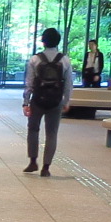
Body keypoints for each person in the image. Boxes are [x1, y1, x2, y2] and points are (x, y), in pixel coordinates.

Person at [23, 27, 72, 176]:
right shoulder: (65, 60)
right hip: (55, 101)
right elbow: (68, 84)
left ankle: (33, 161)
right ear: (58, 42)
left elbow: (29, 82)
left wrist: (26, 102)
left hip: (37, 99)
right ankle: (46, 167)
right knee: (52, 133)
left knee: (33, 129)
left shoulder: (35, 59)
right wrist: (66, 101)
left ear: (43, 41)